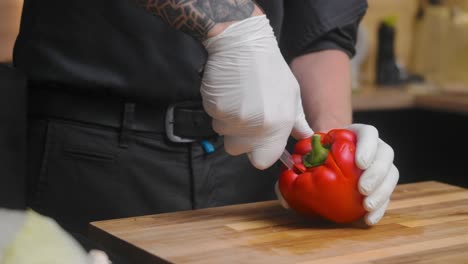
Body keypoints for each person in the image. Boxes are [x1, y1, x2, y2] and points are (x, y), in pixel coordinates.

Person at [11, 0, 399, 260]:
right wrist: (236, 28)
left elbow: (320, 25)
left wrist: (334, 146)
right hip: (92, 151)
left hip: (252, 166)